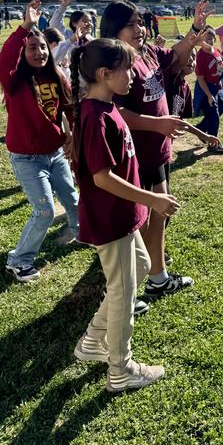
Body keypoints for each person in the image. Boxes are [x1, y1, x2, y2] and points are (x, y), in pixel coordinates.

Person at [71, 38, 178, 393]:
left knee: (143, 267)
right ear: (104, 74)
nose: (133, 75)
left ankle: (92, 341)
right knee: (122, 292)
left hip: (124, 216)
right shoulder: (95, 116)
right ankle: (121, 369)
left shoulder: (108, 106)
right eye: (127, 69)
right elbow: (102, 178)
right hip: (110, 221)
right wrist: (152, 199)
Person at [100, 0, 219, 305]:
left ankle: (157, 279)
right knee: (129, 226)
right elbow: (116, 113)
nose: (139, 29)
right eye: (131, 25)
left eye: (140, 23)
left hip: (157, 151)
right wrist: (157, 124)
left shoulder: (149, 53)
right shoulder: (116, 64)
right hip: (132, 156)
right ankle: (121, 293)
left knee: (157, 217)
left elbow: (177, 55)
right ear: (113, 31)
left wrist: (194, 30)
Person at [0, 0, 79, 282]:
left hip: (55, 154)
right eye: (32, 47)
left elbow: (70, 107)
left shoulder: (55, 77)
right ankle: (19, 260)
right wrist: (26, 27)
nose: (40, 51)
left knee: (73, 200)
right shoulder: (15, 81)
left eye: (43, 46)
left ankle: (81, 233)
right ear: (23, 52)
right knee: (44, 212)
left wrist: (72, 136)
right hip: (27, 158)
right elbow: (4, 59)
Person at [194, 27, 223, 153]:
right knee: (214, 116)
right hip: (206, 88)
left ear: (215, 39)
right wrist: (209, 95)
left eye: (211, 38)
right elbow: (200, 78)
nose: (209, 40)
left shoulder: (216, 51)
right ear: (201, 39)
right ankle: (213, 145)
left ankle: (201, 129)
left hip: (217, 86)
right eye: (206, 38)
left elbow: (219, 67)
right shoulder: (201, 56)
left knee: (222, 107)